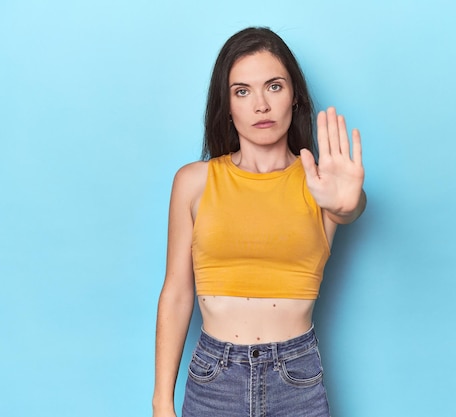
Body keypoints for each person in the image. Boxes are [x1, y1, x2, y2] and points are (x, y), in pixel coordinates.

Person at [152, 27, 366, 417]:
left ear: (295, 97)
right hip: (213, 377)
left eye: (274, 86)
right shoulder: (193, 182)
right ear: (227, 106)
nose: (261, 105)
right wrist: (161, 401)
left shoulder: (321, 183)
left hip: (296, 378)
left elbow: (348, 207)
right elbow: (177, 293)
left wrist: (348, 204)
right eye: (242, 91)